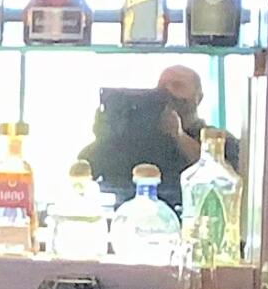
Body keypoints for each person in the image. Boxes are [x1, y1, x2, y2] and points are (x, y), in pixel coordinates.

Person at [85, 66, 238, 204]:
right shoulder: (137, 141)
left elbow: (227, 178)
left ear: (198, 97)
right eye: (161, 87)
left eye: (177, 85)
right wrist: (103, 139)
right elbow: (85, 172)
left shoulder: (216, 140)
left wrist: (180, 137)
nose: (167, 92)